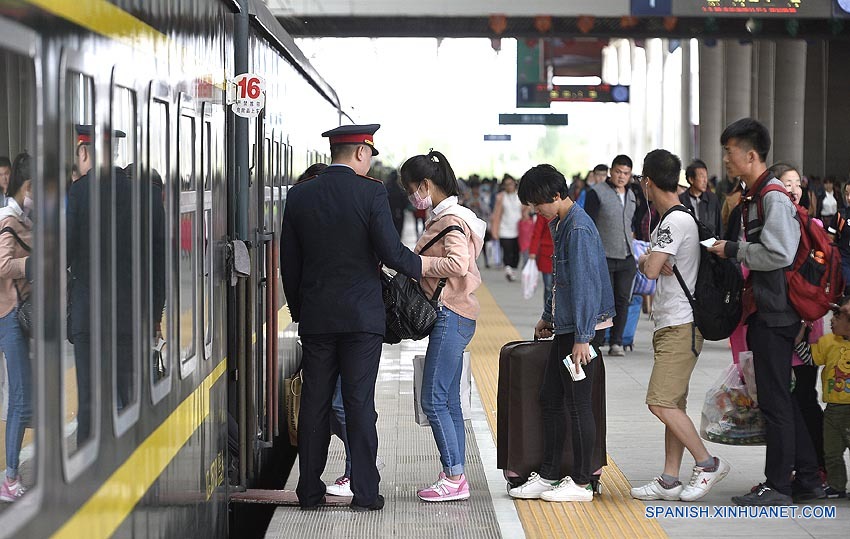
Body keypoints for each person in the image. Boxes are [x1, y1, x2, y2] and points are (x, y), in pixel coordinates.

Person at [280, 124, 422, 512]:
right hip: (362, 318)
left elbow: (289, 263)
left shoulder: (300, 195)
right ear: (361, 151)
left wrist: (301, 311)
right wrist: (424, 268)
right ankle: (365, 493)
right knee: (359, 404)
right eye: (370, 154)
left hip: (317, 319)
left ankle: (309, 492)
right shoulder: (371, 192)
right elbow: (391, 252)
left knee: (314, 403)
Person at [708, 118, 824, 506]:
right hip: (770, 311)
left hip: (776, 313)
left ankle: (778, 485)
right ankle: (807, 478)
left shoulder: (772, 197)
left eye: (730, 151)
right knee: (782, 400)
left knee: (776, 403)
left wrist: (732, 249)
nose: (726, 159)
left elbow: (779, 253)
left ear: (751, 155)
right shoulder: (755, 195)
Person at [508, 164, 614, 503]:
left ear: (556, 195)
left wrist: (583, 337)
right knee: (551, 398)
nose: (535, 211)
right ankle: (550, 473)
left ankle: (582, 483)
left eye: (538, 204)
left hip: (581, 330)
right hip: (568, 326)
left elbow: (585, 285)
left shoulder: (578, 228)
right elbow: (561, 282)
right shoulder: (561, 223)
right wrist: (548, 316)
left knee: (578, 404)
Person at [630, 149, 731, 502]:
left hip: (680, 323)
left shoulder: (673, 221)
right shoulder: (678, 217)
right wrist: (652, 259)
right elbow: (657, 265)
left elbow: (650, 269)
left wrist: (646, 258)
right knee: (673, 403)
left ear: (648, 182)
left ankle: (708, 463)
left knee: (660, 403)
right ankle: (669, 479)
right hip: (673, 322)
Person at [399, 150, 486, 502]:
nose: (412, 197)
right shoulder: (454, 215)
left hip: (451, 313)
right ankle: (455, 472)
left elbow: (458, 263)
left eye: (411, 189)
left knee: (433, 399)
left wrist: (418, 265)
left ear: (425, 184)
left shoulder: (449, 220)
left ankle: (454, 478)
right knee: (448, 400)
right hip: (459, 314)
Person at [795, 298, 850, 499]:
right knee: (831, 451)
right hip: (833, 409)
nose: (832, 320)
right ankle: (836, 485)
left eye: (838, 317)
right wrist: (801, 332)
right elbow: (809, 357)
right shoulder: (828, 342)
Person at [0, 152, 32, 502]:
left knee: (23, 399)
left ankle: (11, 474)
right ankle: (9, 478)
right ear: (29, 186)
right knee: (21, 400)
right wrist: (30, 266)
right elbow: (4, 264)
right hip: (9, 315)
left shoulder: (20, 215)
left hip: (11, 313)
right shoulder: (9, 219)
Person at [585, 155, 636, 357]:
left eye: (626, 173)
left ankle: (616, 342)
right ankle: (597, 341)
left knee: (623, 300)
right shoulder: (596, 193)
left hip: (626, 256)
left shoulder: (632, 194)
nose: (621, 176)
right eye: (618, 172)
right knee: (602, 301)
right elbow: (589, 224)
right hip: (603, 256)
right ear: (611, 171)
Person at [490, 175, 522, 281]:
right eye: (507, 184)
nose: (509, 186)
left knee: (516, 251)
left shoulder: (520, 196)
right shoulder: (500, 197)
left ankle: (512, 269)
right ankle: (508, 269)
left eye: (511, 184)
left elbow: (526, 209)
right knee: (507, 250)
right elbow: (496, 214)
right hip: (504, 229)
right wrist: (494, 230)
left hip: (518, 229)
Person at [679, 159, 722, 238]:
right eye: (702, 177)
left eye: (706, 177)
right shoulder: (681, 200)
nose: (705, 181)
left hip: (710, 243)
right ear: (691, 179)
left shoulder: (713, 199)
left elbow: (719, 227)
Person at [528, 211, 554, 313]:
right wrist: (533, 252)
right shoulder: (544, 212)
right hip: (546, 254)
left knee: (558, 287)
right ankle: (547, 311)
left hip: (560, 254)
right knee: (548, 286)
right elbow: (537, 233)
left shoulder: (564, 212)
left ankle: (556, 310)